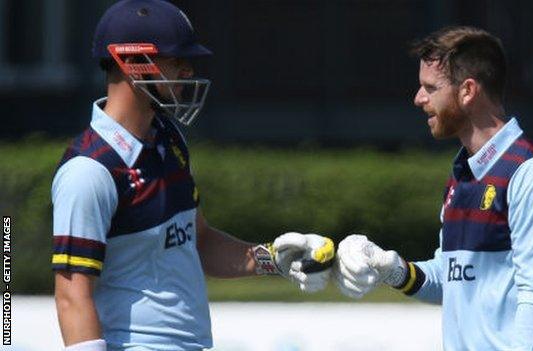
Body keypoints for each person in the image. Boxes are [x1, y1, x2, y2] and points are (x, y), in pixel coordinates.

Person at [51, 1, 334, 350]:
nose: (187, 72)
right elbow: (71, 294)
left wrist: (274, 258)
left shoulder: (169, 137)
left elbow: (197, 241)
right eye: (176, 61)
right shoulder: (89, 171)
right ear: (134, 64)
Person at [333, 26, 533, 350]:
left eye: (430, 88)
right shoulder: (463, 175)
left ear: (467, 91)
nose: (419, 98)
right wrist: (393, 269)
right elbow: (454, 279)